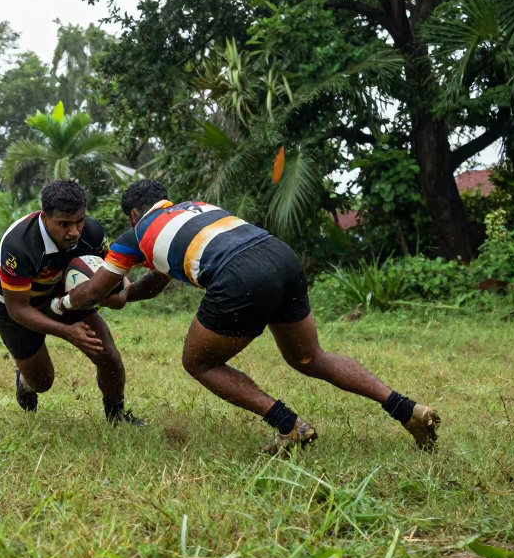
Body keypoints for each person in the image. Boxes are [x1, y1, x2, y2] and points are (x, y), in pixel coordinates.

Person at [56, 179, 439, 451]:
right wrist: (124, 294)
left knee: (198, 362)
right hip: (280, 256)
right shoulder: (197, 209)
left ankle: (289, 425)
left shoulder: (135, 235)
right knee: (310, 357)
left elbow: (93, 292)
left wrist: (61, 305)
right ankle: (407, 409)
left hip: (239, 275)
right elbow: (153, 284)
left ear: (134, 214)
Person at [0, 179, 143, 425]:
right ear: (44, 217)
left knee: (108, 356)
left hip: (63, 293)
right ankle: (25, 380)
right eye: (64, 224)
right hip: (16, 304)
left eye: (79, 221)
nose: (74, 232)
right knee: (42, 382)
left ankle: (117, 418)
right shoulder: (18, 245)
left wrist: (118, 289)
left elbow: (107, 271)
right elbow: (17, 309)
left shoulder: (91, 233)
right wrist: (67, 332)